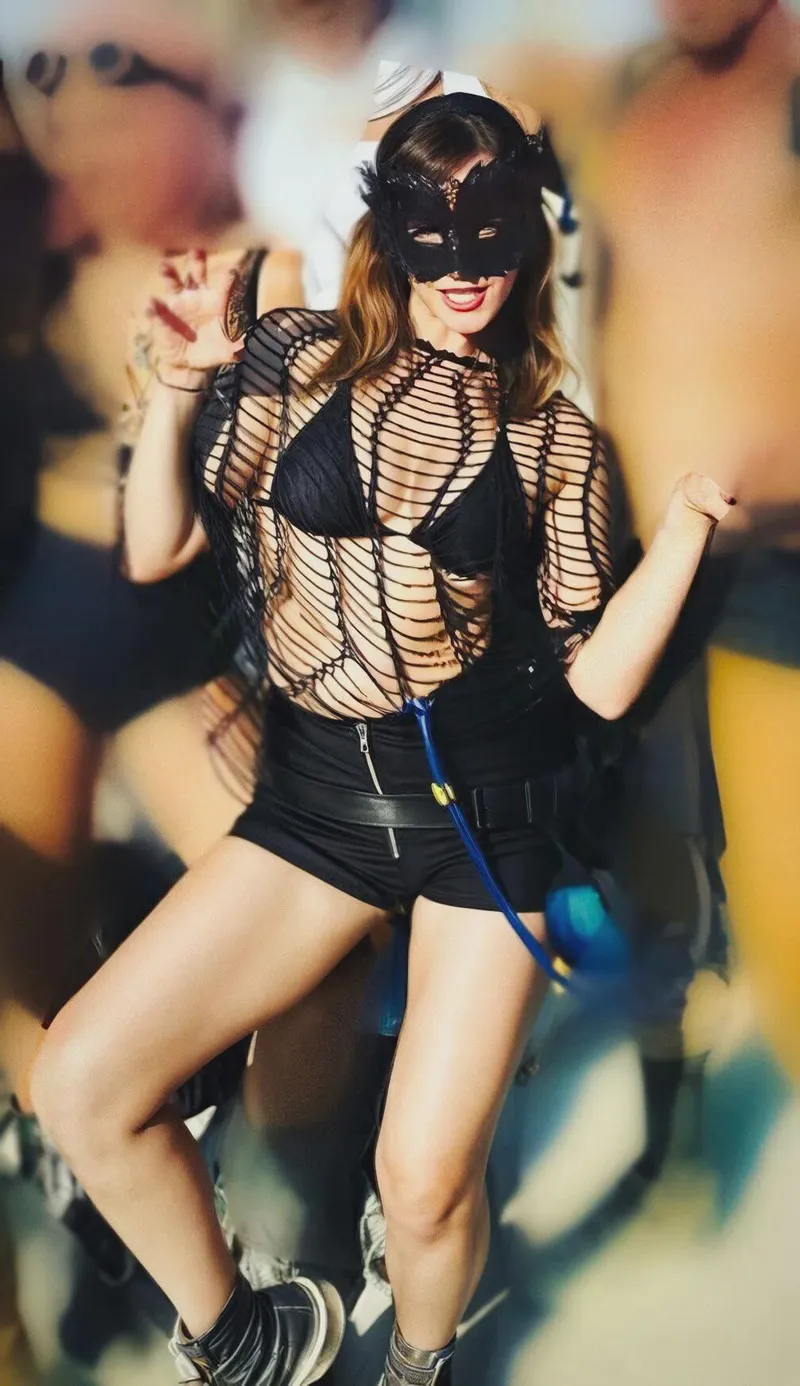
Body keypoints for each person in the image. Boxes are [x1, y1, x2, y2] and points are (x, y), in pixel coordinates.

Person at [27, 94, 735, 1386]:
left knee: (420, 1180)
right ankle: (247, 1338)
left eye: (492, 228)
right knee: (79, 1082)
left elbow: (595, 687)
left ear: (529, 235)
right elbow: (156, 546)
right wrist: (177, 390)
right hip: (315, 804)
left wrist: (683, 529)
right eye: (431, 224)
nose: (464, 265)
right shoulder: (290, 357)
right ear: (386, 227)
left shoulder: (551, 440)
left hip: (485, 819)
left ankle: (419, 1362)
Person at [463, 0, 800, 1081]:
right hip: (633, 555)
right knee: (646, 857)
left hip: (772, 568)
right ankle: (676, 1096)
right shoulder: (627, 96)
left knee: (781, 890)